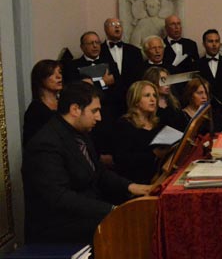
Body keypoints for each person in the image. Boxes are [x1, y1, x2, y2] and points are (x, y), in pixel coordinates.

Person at [23, 82, 152, 244]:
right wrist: (112, 210)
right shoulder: (46, 144)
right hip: (59, 229)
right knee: (135, 230)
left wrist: (132, 187)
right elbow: (60, 198)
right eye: (94, 111)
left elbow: (99, 173)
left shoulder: (80, 133)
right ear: (75, 109)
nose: (99, 117)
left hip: (84, 215)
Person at [113, 81, 163, 184]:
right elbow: (122, 159)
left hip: (159, 175)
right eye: (147, 96)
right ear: (136, 100)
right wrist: (153, 154)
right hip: (136, 180)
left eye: (154, 95)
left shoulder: (156, 123)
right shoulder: (124, 124)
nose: (153, 99)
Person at [100, 17, 143, 99]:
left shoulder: (135, 51)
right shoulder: (98, 51)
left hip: (130, 98)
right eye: (112, 24)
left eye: (119, 25)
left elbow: (139, 76)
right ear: (105, 29)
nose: (117, 27)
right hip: (107, 100)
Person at [23, 59, 63, 146]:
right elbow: (32, 143)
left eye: (59, 72)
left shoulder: (66, 102)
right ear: (41, 79)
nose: (59, 76)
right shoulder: (35, 110)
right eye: (51, 73)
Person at [196, 28, 222, 108]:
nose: (214, 44)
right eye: (210, 41)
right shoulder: (196, 65)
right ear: (204, 44)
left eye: (217, 41)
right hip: (205, 108)